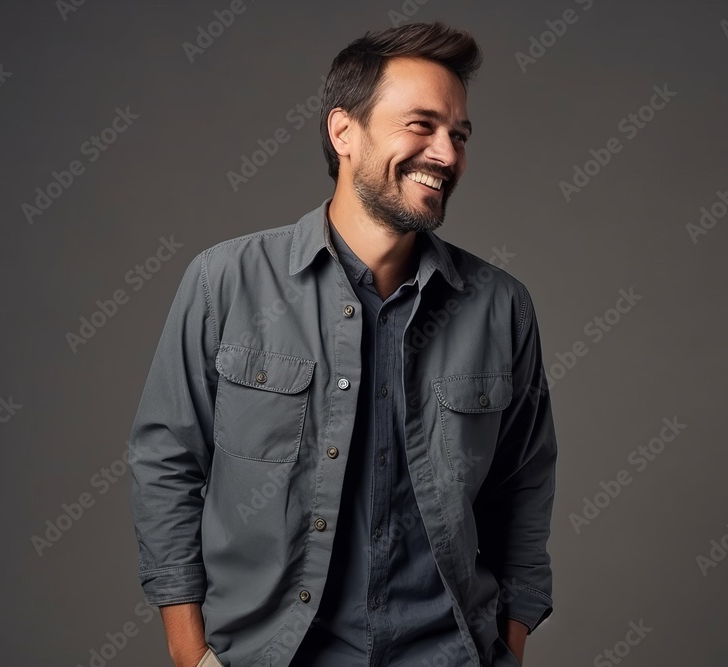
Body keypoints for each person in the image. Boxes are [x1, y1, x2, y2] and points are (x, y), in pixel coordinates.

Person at [129, 21, 558, 667]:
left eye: (459, 135)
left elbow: (523, 487)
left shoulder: (499, 306)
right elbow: (166, 463)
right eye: (422, 125)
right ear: (343, 132)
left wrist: (511, 643)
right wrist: (191, 656)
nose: (447, 153)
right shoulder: (227, 281)